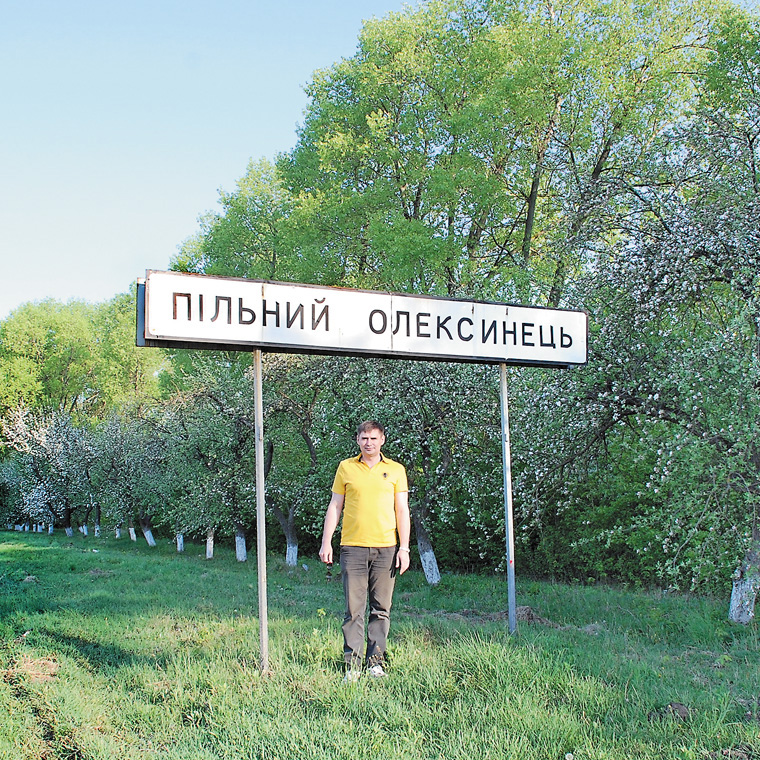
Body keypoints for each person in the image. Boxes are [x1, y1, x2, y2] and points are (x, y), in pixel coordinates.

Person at [319, 420, 411, 681]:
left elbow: (402, 510)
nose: (368, 443)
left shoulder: (395, 470)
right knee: (353, 608)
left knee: (381, 608)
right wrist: (327, 541)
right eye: (363, 438)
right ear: (357, 440)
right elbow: (335, 505)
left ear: (382, 440)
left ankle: (376, 662)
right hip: (353, 548)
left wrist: (404, 548)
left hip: (386, 549)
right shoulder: (346, 467)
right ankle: (352, 665)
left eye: (373, 438)